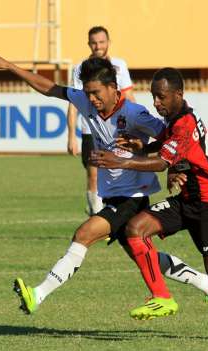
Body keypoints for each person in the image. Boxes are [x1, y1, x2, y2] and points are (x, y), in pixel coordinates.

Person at [0, 53, 208, 321]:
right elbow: (50, 88)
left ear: (113, 88)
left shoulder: (134, 114)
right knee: (148, 258)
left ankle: (37, 295)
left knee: (84, 234)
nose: (92, 99)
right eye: (87, 93)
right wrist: (11, 67)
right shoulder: (86, 103)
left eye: (97, 92)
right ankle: (207, 284)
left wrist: (175, 169)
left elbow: (176, 139)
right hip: (112, 195)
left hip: (132, 197)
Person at [90, 67, 208, 343]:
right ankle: (162, 296)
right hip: (187, 200)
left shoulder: (185, 123)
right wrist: (142, 148)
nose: (156, 103)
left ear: (178, 94)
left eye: (162, 97)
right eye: (154, 96)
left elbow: (163, 162)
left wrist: (121, 161)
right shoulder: (177, 119)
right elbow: (168, 148)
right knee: (135, 228)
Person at [67, 26, 136, 215]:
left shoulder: (119, 65)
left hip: (116, 129)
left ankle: (113, 213)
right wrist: (71, 135)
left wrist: (137, 124)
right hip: (91, 129)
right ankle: (96, 216)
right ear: (88, 44)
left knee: (117, 171)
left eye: (101, 42)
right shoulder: (81, 68)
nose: (98, 46)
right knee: (93, 174)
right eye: (94, 43)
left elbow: (129, 96)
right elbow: (73, 103)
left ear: (108, 42)